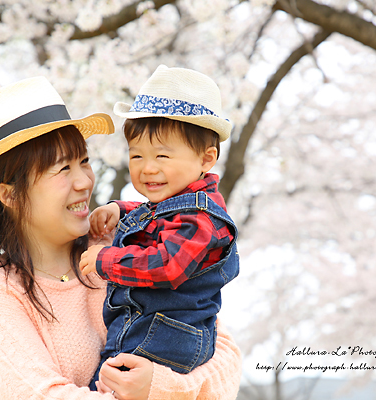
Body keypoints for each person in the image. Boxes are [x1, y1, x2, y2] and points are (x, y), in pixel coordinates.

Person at [0, 75, 242, 400]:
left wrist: (160, 388)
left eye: (84, 161)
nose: (84, 181)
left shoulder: (122, 247)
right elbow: (42, 395)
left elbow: (226, 360)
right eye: (62, 169)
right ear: (9, 194)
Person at [79, 65, 240, 389]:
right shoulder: (178, 207)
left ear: (206, 159)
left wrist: (105, 260)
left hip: (165, 338)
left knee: (107, 387)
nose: (148, 168)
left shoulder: (201, 219)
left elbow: (165, 266)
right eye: (136, 156)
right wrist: (118, 209)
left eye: (162, 155)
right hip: (147, 330)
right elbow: (155, 217)